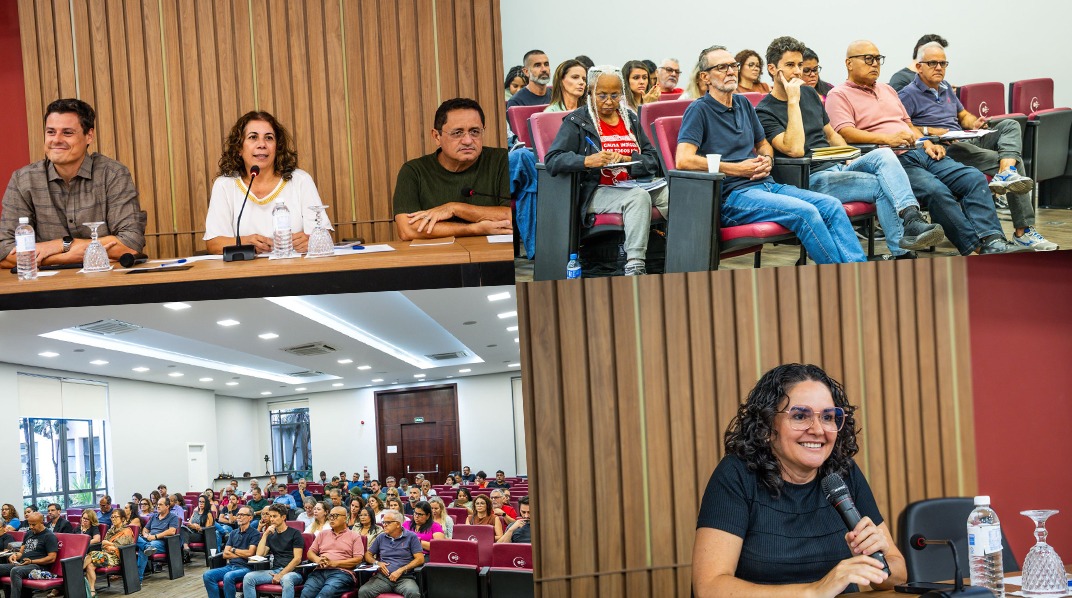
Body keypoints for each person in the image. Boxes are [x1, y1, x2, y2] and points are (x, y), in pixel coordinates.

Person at [692, 363, 908, 597]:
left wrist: (879, 559)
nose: (817, 429)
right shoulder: (736, 475)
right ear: (766, 426)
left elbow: (898, 575)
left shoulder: (842, 473)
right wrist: (813, 592)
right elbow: (709, 587)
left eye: (827, 417)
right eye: (799, 416)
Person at [825, 40, 1028, 255]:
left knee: (973, 178)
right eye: (868, 59)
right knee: (936, 191)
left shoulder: (887, 90)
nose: (875, 64)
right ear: (849, 63)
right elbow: (845, 133)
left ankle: (993, 239)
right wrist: (887, 139)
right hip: (891, 160)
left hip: (920, 150)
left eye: (878, 59)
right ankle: (975, 247)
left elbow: (908, 124)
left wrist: (926, 142)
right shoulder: (839, 95)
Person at [754, 35, 945, 258]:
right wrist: (793, 101)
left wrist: (850, 158)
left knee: (883, 155)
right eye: (789, 66)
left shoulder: (808, 93)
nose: (797, 72)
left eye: (799, 65)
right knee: (883, 186)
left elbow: (831, 134)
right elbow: (795, 149)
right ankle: (903, 252)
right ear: (771, 69)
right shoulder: (765, 111)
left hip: (836, 168)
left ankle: (911, 220)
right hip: (808, 178)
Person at [676, 45, 866, 264]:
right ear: (705, 77)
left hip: (767, 185)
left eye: (732, 65)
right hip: (733, 196)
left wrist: (767, 158)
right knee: (806, 212)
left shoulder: (743, 103)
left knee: (830, 206)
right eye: (721, 67)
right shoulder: (699, 110)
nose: (730, 71)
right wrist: (736, 169)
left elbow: (764, 144)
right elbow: (683, 159)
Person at [897, 42, 1057, 251]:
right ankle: (1023, 231)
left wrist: (974, 123)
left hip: (964, 136)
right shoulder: (907, 94)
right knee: (1016, 163)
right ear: (919, 67)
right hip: (944, 147)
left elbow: (962, 115)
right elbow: (903, 125)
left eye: (943, 63)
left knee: (1010, 125)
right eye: (933, 63)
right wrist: (930, 131)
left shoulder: (945, 88)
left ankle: (1006, 171)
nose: (939, 68)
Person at [545, 64, 669, 276]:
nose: (609, 101)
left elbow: (653, 159)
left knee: (675, 194)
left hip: (632, 184)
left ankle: (678, 252)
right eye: (602, 95)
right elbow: (553, 160)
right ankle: (635, 265)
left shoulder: (630, 120)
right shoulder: (578, 122)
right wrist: (588, 161)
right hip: (595, 191)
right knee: (637, 198)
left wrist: (628, 158)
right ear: (591, 92)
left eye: (615, 95)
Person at [0, 98, 145, 268]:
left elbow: (130, 243)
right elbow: (5, 250)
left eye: (67, 133)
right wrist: (64, 258)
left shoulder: (112, 174)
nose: (56, 140)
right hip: (44, 288)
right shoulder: (23, 179)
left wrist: (60, 245)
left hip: (104, 282)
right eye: (51, 132)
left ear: (89, 135)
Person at [203, 110, 331, 255]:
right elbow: (214, 244)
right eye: (253, 137)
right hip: (244, 274)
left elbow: (323, 235)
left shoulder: (300, 180)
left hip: (295, 271)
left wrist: (310, 241)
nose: (262, 144)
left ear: (277, 147)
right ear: (239, 148)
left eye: (269, 138)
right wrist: (244, 242)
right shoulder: (225, 185)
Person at [391, 98, 511, 240]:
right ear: (437, 136)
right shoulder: (414, 171)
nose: (467, 141)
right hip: (439, 259)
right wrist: (472, 229)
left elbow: (511, 217)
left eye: (474, 132)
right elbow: (407, 230)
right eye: (457, 133)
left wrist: (455, 209)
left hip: (493, 257)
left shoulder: (503, 160)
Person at [242, 504, 304, 598]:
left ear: (283, 517)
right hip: (275, 571)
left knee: (286, 579)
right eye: (270, 516)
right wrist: (265, 534)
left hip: (293, 572)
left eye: (274, 516)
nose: (271, 519)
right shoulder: (271, 535)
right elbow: (259, 554)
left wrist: (281, 574)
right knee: (248, 577)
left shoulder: (295, 533)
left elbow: (297, 559)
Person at [299, 506, 363, 598]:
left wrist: (334, 563)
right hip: (319, 571)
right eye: (330, 516)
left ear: (345, 517)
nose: (332, 519)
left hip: (341, 573)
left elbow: (358, 559)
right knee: (306, 594)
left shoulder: (354, 536)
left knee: (324, 595)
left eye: (335, 516)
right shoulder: (323, 534)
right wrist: (317, 559)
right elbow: (310, 553)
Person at [358, 509, 424, 598]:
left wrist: (401, 570)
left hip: (404, 578)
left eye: (387, 523)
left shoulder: (411, 537)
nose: (384, 525)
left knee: (413, 593)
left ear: (397, 524)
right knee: (363, 591)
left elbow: (420, 559)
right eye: (383, 522)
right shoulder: (381, 537)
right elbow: (368, 554)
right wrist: (377, 563)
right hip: (383, 578)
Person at [202, 505, 261, 598]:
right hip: (231, 566)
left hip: (246, 567)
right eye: (238, 514)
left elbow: (250, 553)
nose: (239, 517)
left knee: (228, 576)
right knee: (207, 575)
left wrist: (233, 550)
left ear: (250, 518)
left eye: (242, 515)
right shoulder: (233, 533)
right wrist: (242, 554)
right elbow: (225, 554)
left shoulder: (255, 533)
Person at [0, 512, 57, 598]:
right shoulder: (29, 534)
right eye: (29, 524)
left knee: (16, 571)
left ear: (42, 522)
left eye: (34, 525)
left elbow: (51, 558)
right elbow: (21, 552)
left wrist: (31, 561)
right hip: (23, 564)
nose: (31, 527)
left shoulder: (49, 536)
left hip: (38, 566)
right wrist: (15, 555)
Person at [84, 507, 134, 596]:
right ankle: (92, 591)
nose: (113, 519)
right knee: (90, 565)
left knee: (91, 554)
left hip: (117, 557)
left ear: (122, 519)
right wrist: (109, 544)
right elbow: (103, 543)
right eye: (112, 517)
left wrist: (109, 544)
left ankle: (76, 573)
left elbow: (120, 546)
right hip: (106, 555)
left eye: (116, 517)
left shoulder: (127, 531)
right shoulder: (111, 530)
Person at [137, 497, 180, 582]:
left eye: (160, 504)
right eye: (157, 505)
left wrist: (155, 536)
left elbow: (172, 531)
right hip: (149, 539)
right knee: (133, 539)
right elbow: (145, 529)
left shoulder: (173, 517)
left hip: (162, 542)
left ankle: (138, 579)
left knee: (145, 548)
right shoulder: (154, 516)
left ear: (167, 506)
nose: (158, 506)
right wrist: (146, 535)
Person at [182, 494, 215, 562]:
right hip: (191, 531)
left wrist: (198, 527)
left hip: (201, 535)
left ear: (206, 503)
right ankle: (185, 552)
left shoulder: (208, 514)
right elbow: (189, 523)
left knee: (183, 535)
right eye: (200, 501)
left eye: (203, 502)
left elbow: (208, 529)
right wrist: (192, 525)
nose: (201, 503)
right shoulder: (195, 512)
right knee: (182, 529)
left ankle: (185, 550)